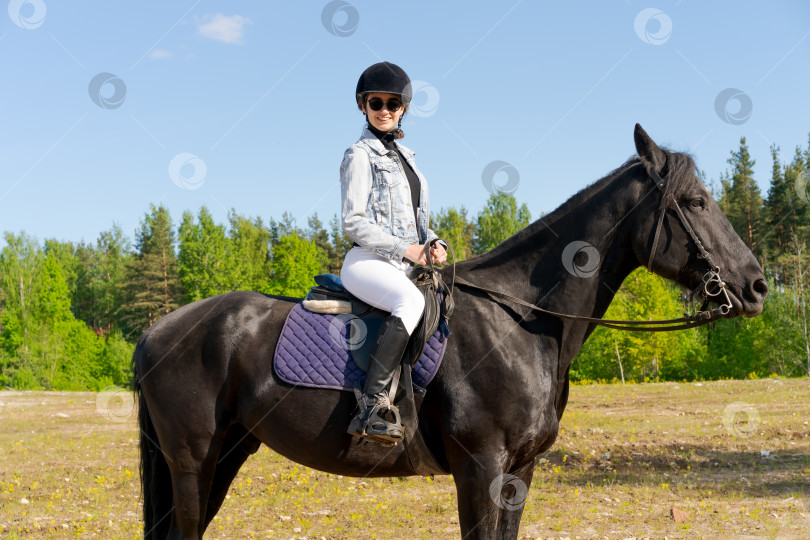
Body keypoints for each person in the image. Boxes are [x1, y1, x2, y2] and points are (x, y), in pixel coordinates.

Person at [340, 61, 447, 444]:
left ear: (403, 108)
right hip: (367, 262)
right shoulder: (359, 154)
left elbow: (419, 222)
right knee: (409, 303)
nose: (384, 110)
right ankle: (373, 405)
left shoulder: (410, 160)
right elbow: (353, 222)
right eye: (375, 103)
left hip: (405, 262)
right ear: (363, 106)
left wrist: (433, 243)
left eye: (392, 103)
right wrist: (408, 249)